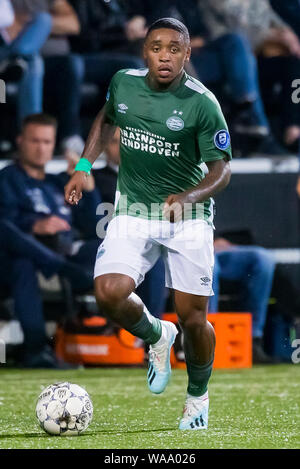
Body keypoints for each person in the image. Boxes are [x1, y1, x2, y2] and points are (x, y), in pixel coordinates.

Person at [65, 18, 232, 430]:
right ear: (145, 51)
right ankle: (158, 335)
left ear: (186, 54)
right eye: (157, 47)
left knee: (193, 318)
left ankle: (198, 396)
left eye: (174, 49)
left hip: (188, 215)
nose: (164, 56)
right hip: (134, 210)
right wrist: (83, 166)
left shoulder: (203, 103)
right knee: (108, 292)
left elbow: (223, 169)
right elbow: (106, 119)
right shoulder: (124, 83)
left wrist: (190, 196)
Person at [0, 113, 101, 368]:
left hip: (64, 254)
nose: (40, 147)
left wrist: (88, 192)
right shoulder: (8, 179)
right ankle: (36, 350)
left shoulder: (58, 184)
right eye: (34, 141)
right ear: (20, 141)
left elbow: (93, 228)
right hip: (18, 256)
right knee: (19, 255)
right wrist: (34, 224)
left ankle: (131, 342)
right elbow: (5, 224)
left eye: (46, 142)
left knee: (107, 246)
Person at [93, 127, 168, 319]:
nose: (123, 147)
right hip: (118, 243)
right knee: (156, 258)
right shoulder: (94, 180)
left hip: (161, 238)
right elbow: (95, 225)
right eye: (114, 142)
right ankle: (153, 335)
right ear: (103, 147)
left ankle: (198, 334)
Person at [209, 238, 276, 364]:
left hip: (214, 246)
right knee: (208, 262)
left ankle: (251, 341)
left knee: (263, 258)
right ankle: (205, 341)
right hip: (187, 247)